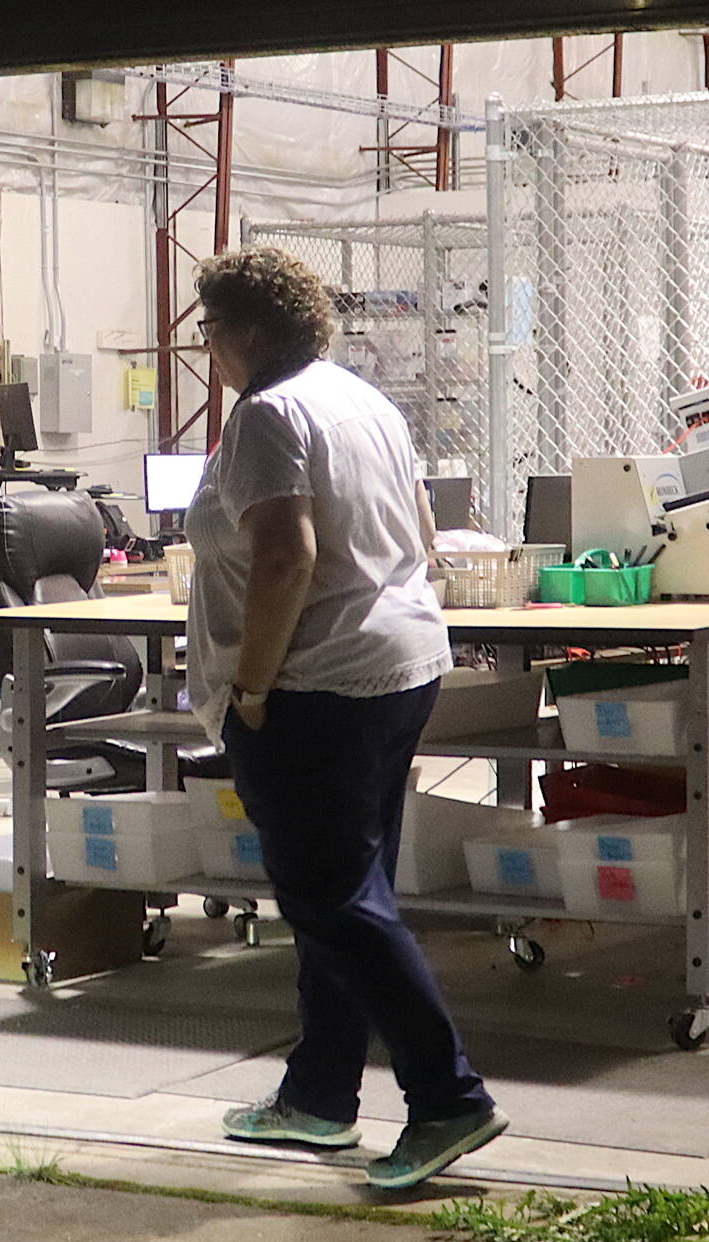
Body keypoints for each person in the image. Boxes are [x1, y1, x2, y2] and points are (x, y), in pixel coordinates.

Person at [183, 247, 507, 1190]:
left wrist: (251, 685)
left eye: (210, 331)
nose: (209, 350)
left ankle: (447, 1097)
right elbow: (418, 523)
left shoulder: (269, 414)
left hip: (316, 682)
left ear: (246, 332)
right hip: (398, 662)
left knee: (331, 899)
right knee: (348, 892)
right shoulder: (360, 399)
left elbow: (285, 556)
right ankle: (320, 1094)